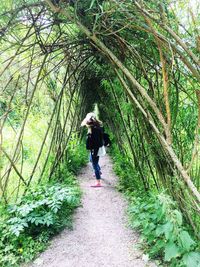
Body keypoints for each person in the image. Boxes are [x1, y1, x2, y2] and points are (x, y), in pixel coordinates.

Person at [81, 112, 105, 187]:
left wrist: (94, 151)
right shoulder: (97, 127)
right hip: (97, 148)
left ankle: (98, 182)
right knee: (91, 160)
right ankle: (99, 171)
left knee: (94, 164)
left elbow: (95, 142)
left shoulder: (94, 131)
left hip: (95, 149)